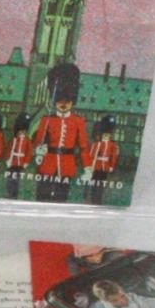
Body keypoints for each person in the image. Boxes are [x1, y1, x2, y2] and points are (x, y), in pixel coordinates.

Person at [31, 63, 91, 204]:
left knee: (61, 199)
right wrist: (39, 151)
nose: (63, 104)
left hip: (67, 164)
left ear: (72, 101)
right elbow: (38, 141)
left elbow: (83, 147)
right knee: (42, 196)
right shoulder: (46, 120)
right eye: (59, 100)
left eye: (67, 101)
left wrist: (87, 167)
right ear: (55, 100)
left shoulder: (78, 121)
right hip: (48, 163)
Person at [86, 115, 121, 204]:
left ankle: (98, 198)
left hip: (105, 166)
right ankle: (93, 198)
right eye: (105, 134)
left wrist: (111, 166)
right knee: (94, 182)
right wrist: (91, 165)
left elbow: (113, 156)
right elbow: (92, 154)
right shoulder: (97, 144)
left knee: (101, 183)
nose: (106, 136)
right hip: (97, 165)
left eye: (107, 135)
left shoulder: (113, 145)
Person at [4, 113, 34, 198]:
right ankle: (9, 192)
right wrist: (8, 159)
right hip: (12, 162)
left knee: (17, 180)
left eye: (23, 131)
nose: (22, 133)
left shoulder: (27, 141)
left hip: (20, 163)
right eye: (20, 131)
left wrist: (26, 162)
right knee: (10, 178)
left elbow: (29, 152)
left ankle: (14, 194)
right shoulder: (14, 140)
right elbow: (9, 150)